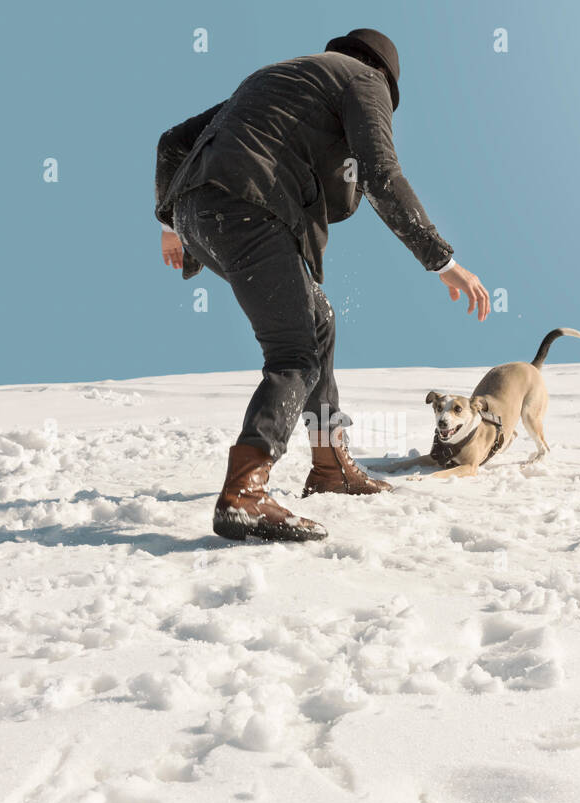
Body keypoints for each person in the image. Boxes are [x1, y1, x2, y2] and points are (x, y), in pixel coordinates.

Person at [155, 28, 490, 543]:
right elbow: (380, 172)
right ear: (386, 78)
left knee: (319, 321)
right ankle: (244, 492)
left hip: (201, 214)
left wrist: (170, 224)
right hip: (249, 208)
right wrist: (442, 261)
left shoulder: (277, 77)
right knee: (295, 354)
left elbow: (174, 141)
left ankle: (330, 463)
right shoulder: (364, 79)